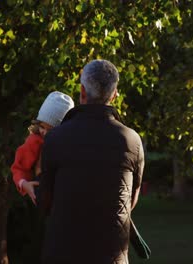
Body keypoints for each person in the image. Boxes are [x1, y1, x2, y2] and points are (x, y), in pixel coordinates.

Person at [40, 59, 145, 264]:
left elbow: (46, 203)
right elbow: (131, 200)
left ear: (82, 91)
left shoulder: (56, 138)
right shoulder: (132, 140)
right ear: (114, 95)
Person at [11, 91, 74, 205]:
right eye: (41, 127)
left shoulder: (69, 143)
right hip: (42, 193)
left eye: (50, 129)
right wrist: (25, 184)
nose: (44, 132)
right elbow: (19, 167)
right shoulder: (34, 141)